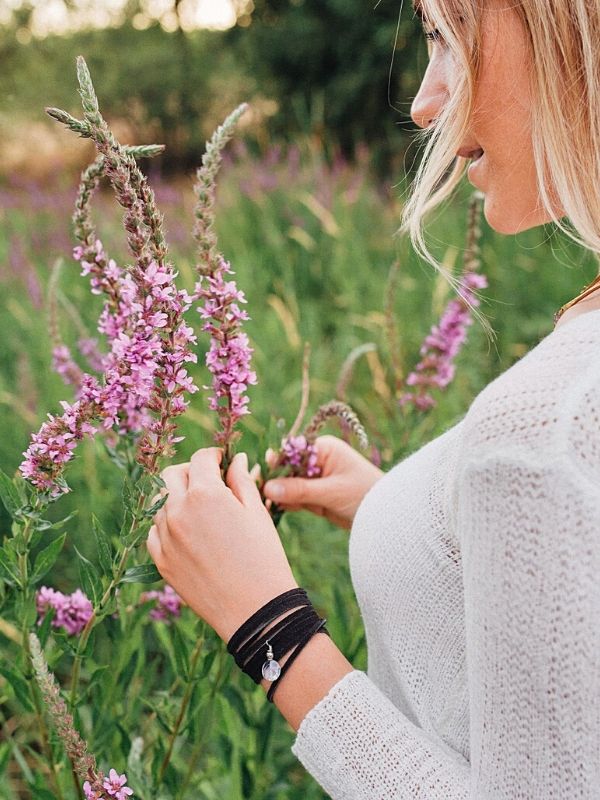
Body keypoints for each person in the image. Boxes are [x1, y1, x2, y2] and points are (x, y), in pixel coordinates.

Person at [146, 0, 600, 796]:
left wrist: (267, 622)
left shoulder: (544, 428)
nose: (424, 100)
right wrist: (418, 514)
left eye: (442, 35)